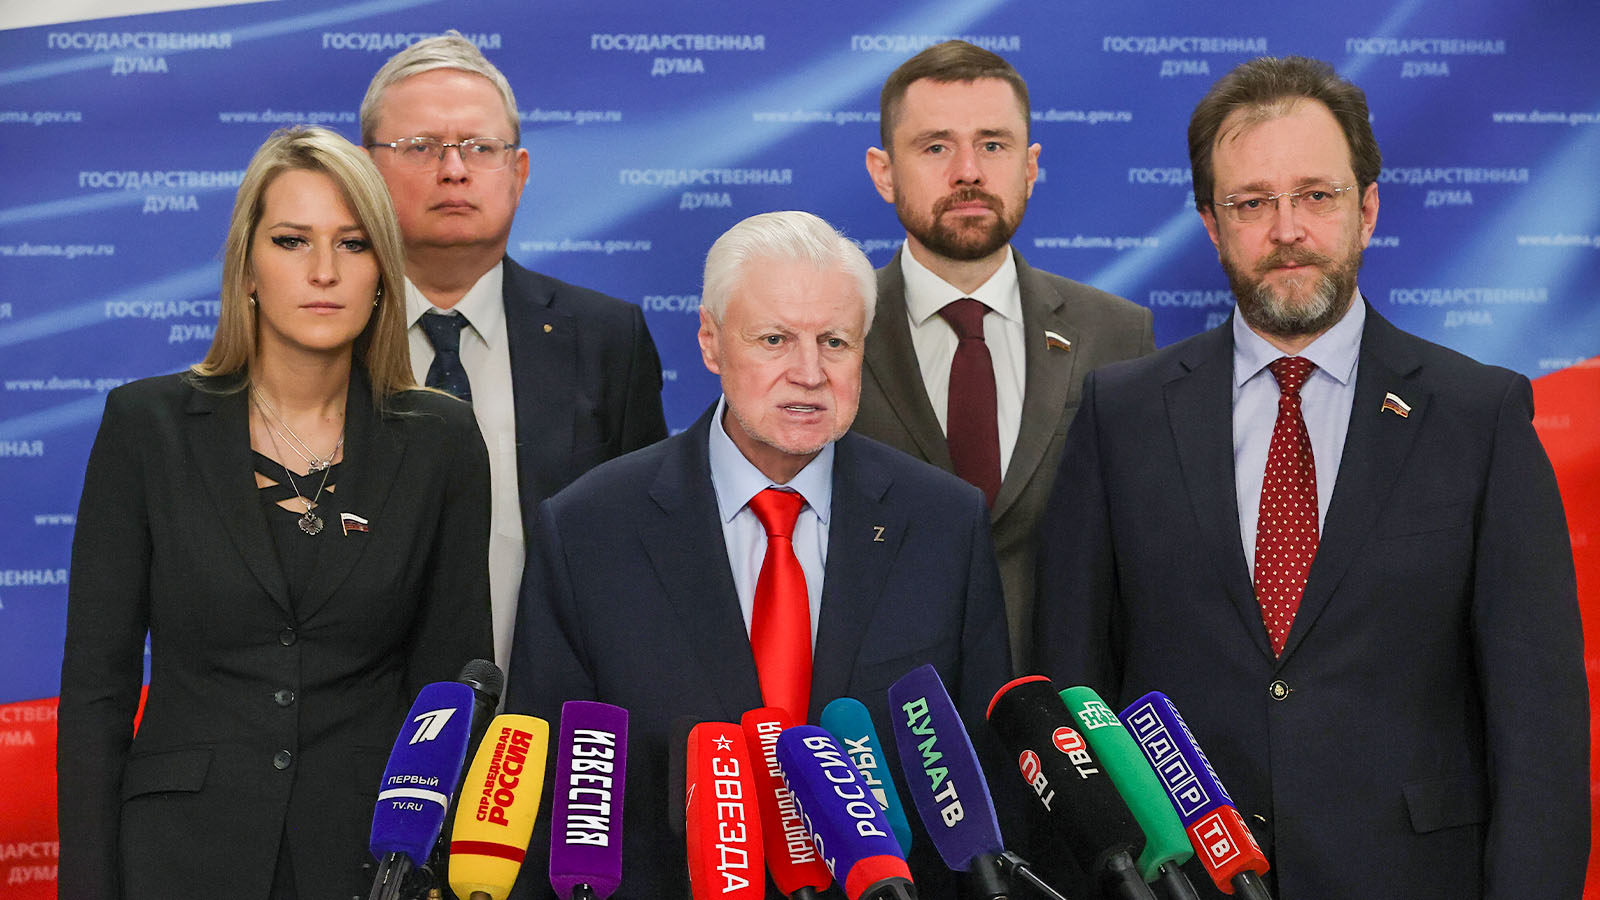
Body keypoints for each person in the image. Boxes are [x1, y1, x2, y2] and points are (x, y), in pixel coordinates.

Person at [1034, 56, 1588, 898]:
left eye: (1316, 196)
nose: (1286, 228)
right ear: (1212, 225)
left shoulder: (1479, 418)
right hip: (1184, 882)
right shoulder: (1122, 415)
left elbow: (1540, 727)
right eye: (1252, 202)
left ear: (1367, 211)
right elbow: (1073, 700)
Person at [505, 211, 1013, 897]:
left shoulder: (943, 522)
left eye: (834, 342)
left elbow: (985, 788)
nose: (809, 373)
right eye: (774, 339)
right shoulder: (588, 529)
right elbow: (549, 810)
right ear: (710, 343)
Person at [56, 125, 493, 900]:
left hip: (369, 859)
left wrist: (437, 877)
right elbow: (98, 691)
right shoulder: (146, 427)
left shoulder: (442, 440)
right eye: (293, 241)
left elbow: (451, 694)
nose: (324, 271)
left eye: (353, 244)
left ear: (383, 274)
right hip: (177, 858)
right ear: (247, 268)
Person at [361, 32, 668, 674]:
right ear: (366, 172)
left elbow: (646, 557)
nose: (454, 170)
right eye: (420, 147)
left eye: (480, 147)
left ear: (519, 173)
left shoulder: (606, 339)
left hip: (550, 714)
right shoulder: (325, 338)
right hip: (354, 719)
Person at [855, 40, 1155, 671]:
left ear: (1030, 166)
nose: (968, 171)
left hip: (1065, 708)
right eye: (936, 147)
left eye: (993, 145)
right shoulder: (836, 337)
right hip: (882, 715)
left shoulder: (1117, 335)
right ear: (884, 172)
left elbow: (1144, 555)